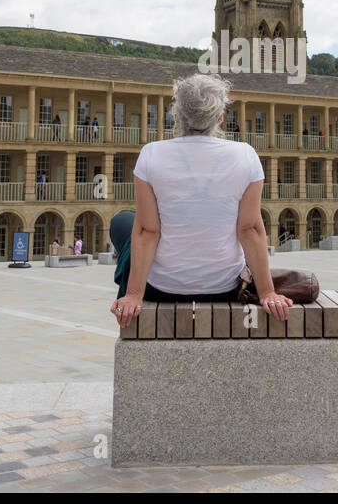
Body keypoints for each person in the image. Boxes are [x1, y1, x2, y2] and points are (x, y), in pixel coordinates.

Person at [110, 73, 290, 328]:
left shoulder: (151, 154)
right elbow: (249, 229)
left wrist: (134, 295)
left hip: (163, 287)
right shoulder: (246, 155)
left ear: (177, 116)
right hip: (223, 287)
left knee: (123, 221)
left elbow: (148, 231)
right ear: (219, 118)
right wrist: (268, 293)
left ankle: (127, 281)